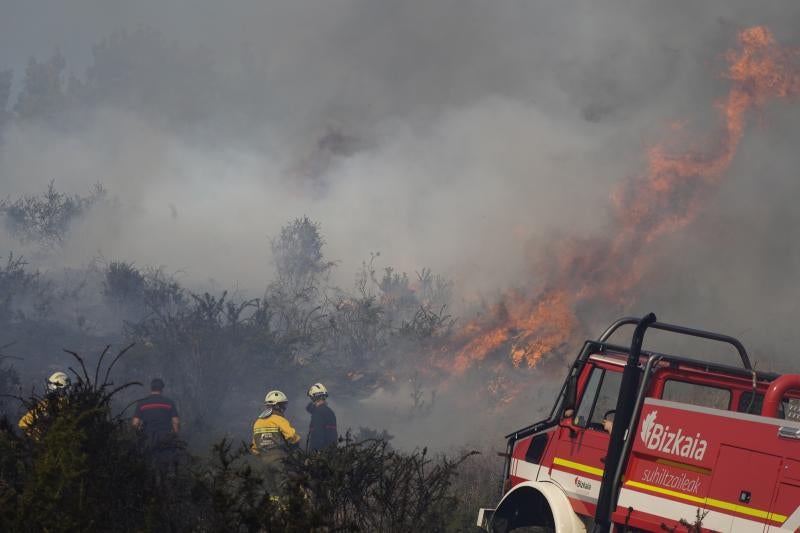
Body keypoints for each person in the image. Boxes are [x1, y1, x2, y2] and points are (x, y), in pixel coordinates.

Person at [251, 390, 301, 496]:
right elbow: (292, 436)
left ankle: (274, 510)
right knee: (284, 489)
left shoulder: (257, 423)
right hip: (280, 461)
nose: (284, 409)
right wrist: (297, 440)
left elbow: (254, 448)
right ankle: (286, 510)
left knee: (272, 492)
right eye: (283, 406)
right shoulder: (279, 419)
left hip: (263, 462)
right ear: (278, 406)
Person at [132, 378, 180, 472]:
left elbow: (135, 424)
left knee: (148, 464)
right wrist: (176, 436)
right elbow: (176, 422)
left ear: (151, 388)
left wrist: (138, 436)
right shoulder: (169, 403)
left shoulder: (142, 403)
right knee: (164, 464)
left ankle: (149, 483)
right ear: (162, 389)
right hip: (165, 437)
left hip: (148, 437)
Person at [305, 383, 338, 452]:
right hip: (331, 451)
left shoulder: (317, 413)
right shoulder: (329, 411)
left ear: (314, 397)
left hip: (320, 453)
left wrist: (315, 453)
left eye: (311, 398)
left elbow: (318, 434)